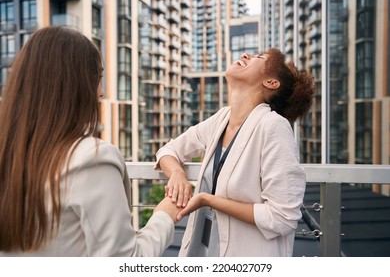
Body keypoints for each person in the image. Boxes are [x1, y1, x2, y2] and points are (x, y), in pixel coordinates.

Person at [0, 26, 182, 257]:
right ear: (71, 86)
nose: (101, 92)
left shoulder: (10, 154)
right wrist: (164, 216)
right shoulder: (91, 159)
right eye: (96, 78)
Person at [154, 48, 316, 256]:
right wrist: (177, 174)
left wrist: (207, 200)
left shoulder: (274, 126)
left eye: (259, 58)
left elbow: (282, 217)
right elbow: (169, 150)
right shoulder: (222, 119)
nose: (247, 55)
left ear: (271, 82)